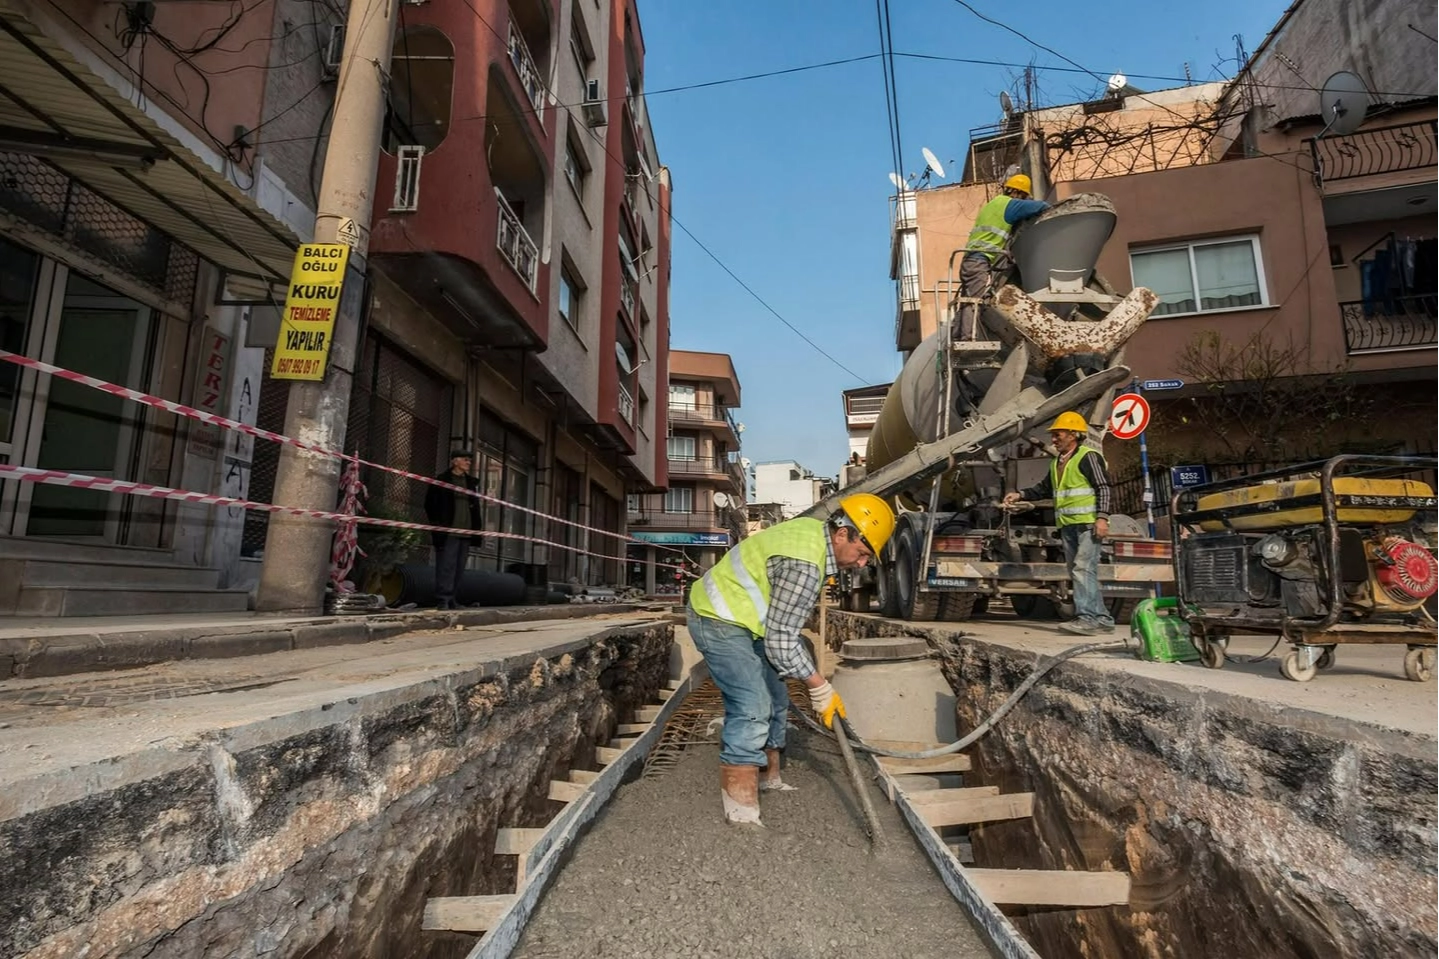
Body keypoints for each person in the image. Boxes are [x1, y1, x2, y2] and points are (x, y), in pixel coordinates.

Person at [686, 493, 897, 826]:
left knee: (776, 696)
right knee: (752, 706)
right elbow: (782, 641)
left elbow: (780, 635)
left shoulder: (811, 535)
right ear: (842, 534)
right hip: (717, 616)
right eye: (861, 553)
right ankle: (740, 812)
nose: (861, 565)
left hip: (750, 622)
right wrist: (819, 687)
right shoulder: (805, 564)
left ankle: (771, 776)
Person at [1003, 411, 1114, 636]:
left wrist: (1102, 518)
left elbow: (1103, 487)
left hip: (1088, 523)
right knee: (1080, 571)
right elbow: (1043, 489)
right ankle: (1102, 618)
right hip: (1068, 524)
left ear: (1073, 434)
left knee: (1083, 569)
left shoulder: (1088, 456)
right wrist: (1020, 495)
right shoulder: (1057, 463)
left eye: (1058, 434)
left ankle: (1087, 618)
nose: (1053, 439)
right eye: (1053, 435)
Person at [958, 173, 1049, 337]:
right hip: (980, 260)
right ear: (1020, 193)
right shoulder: (1011, 206)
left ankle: (958, 333)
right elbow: (1042, 206)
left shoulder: (993, 204)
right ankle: (969, 337)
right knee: (976, 301)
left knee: (968, 298)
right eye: (1023, 196)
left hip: (971, 260)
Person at [423, 449, 484, 610]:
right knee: (446, 566)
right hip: (449, 532)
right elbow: (430, 504)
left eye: (469, 460)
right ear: (455, 461)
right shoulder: (442, 481)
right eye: (465, 460)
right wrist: (438, 524)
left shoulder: (471, 483)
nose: (468, 463)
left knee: (459, 567)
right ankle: (443, 599)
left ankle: (452, 599)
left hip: (466, 531)